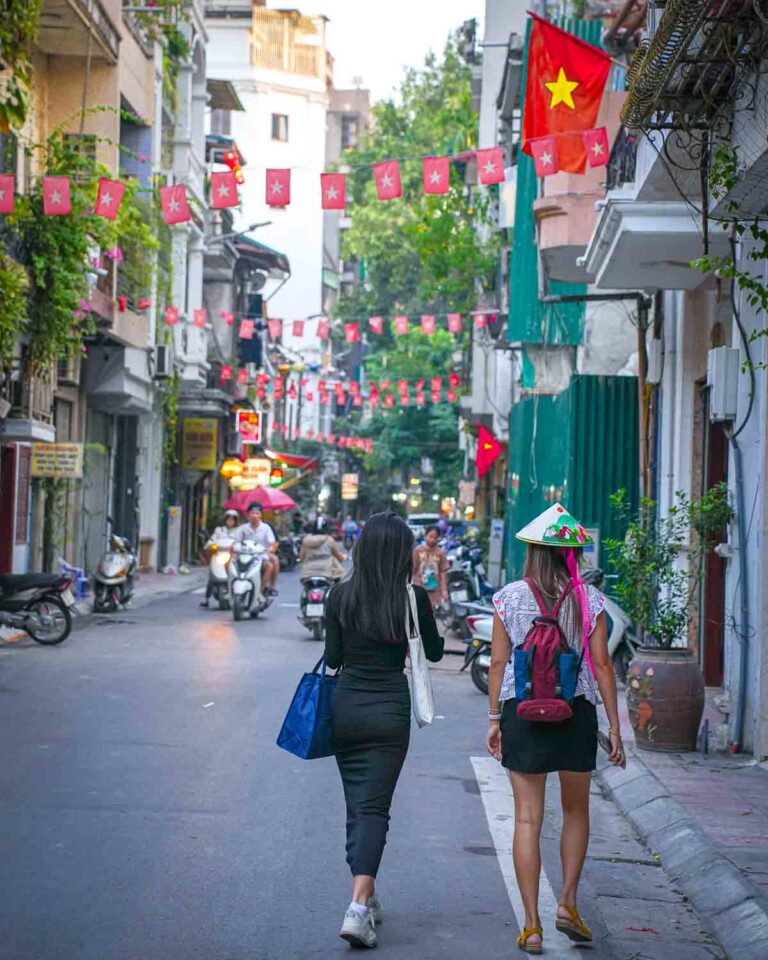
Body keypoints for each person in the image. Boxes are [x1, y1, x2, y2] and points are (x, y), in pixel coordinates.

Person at [486, 504, 625, 955]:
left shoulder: (509, 597)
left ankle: (531, 925)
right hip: (576, 711)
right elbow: (603, 665)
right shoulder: (591, 600)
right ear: (573, 553)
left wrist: (493, 719)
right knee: (575, 812)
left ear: (533, 552)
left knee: (527, 817)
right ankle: (567, 903)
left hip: (521, 713)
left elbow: (500, 663)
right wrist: (615, 728)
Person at [324, 512, 444, 949]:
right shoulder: (412, 597)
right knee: (374, 808)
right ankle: (358, 907)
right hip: (389, 712)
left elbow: (333, 659)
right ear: (401, 554)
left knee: (358, 806)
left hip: (346, 709)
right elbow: (432, 652)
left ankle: (366, 895)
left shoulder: (339, 596)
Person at [233, 502, 279, 594]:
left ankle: (265, 588)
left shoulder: (266, 528)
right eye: (252, 513)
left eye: (257, 513)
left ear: (261, 515)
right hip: (244, 556)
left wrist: (270, 549)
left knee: (271, 565)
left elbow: (272, 543)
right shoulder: (243, 528)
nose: (254, 515)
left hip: (261, 556)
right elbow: (236, 542)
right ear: (248, 514)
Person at [200, 509, 239, 608]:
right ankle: (206, 598)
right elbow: (212, 540)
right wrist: (210, 545)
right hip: (219, 554)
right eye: (228, 519)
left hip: (232, 556)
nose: (230, 522)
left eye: (232, 520)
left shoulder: (239, 532)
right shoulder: (219, 530)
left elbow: (241, 542)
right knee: (212, 574)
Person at [412, 524, 449, 609]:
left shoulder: (440, 553)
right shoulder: (418, 551)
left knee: (431, 612)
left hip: (434, 589)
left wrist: (444, 590)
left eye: (435, 538)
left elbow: (443, 572)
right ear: (425, 536)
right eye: (430, 536)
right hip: (419, 587)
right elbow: (412, 569)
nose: (432, 540)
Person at [299, 517, 346, 582]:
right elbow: (338, 556)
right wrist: (343, 557)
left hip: (307, 574)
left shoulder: (306, 540)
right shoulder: (330, 540)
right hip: (327, 573)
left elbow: (302, 557)